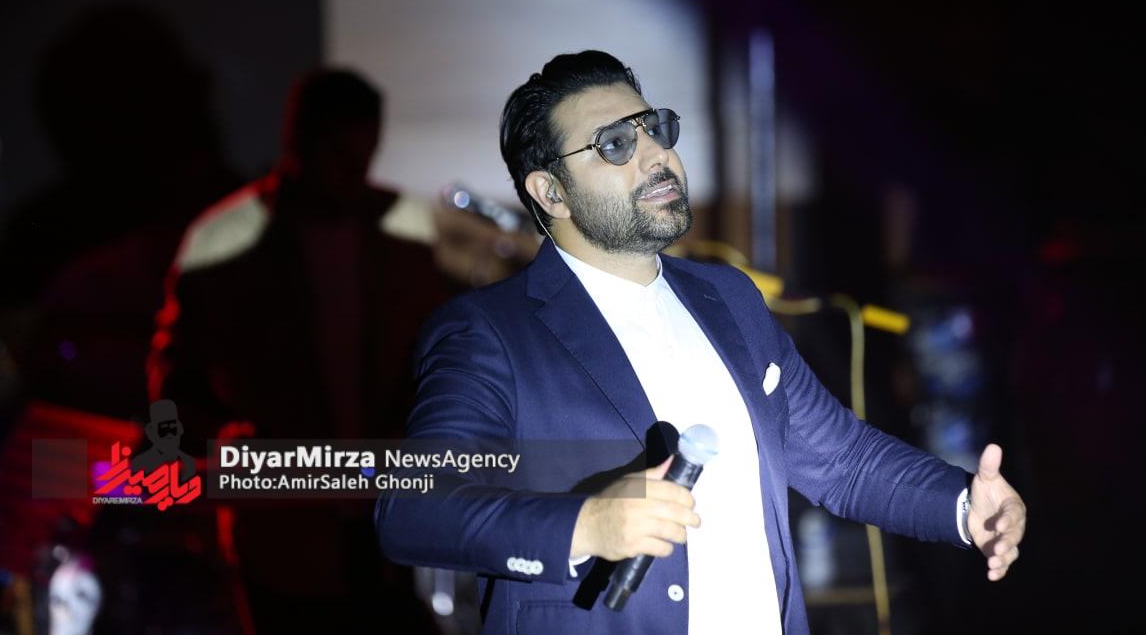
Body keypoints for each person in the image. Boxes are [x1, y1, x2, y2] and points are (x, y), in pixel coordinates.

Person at [375, 51, 1027, 634]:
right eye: (614, 143)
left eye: (654, 129)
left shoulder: (730, 297)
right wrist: (588, 525)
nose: (654, 154)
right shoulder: (489, 331)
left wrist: (964, 505)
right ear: (551, 192)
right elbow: (412, 510)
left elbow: (842, 460)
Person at [150, 67, 450, 632]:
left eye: (365, 156)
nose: (356, 173)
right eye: (343, 155)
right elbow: (176, 385)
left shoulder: (400, 235)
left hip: (374, 517)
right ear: (302, 143)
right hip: (286, 532)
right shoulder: (226, 243)